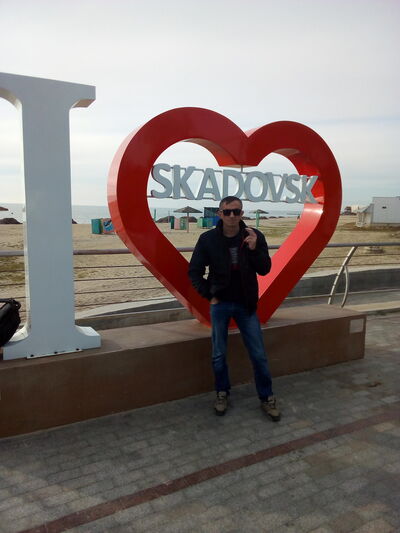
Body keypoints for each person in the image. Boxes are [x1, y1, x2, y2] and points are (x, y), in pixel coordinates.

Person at [189, 196, 280, 421]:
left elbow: (265, 269)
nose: (232, 216)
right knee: (219, 354)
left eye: (236, 211)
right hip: (220, 304)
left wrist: (254, 248)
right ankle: (222, 393)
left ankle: (267, 397)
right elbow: (194, 271)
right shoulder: (208, 239)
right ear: (219, 213)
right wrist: (209, 295)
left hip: (246, 304)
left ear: (242, 213)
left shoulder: (254, 236)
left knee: (258, 354)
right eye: (227, 212)